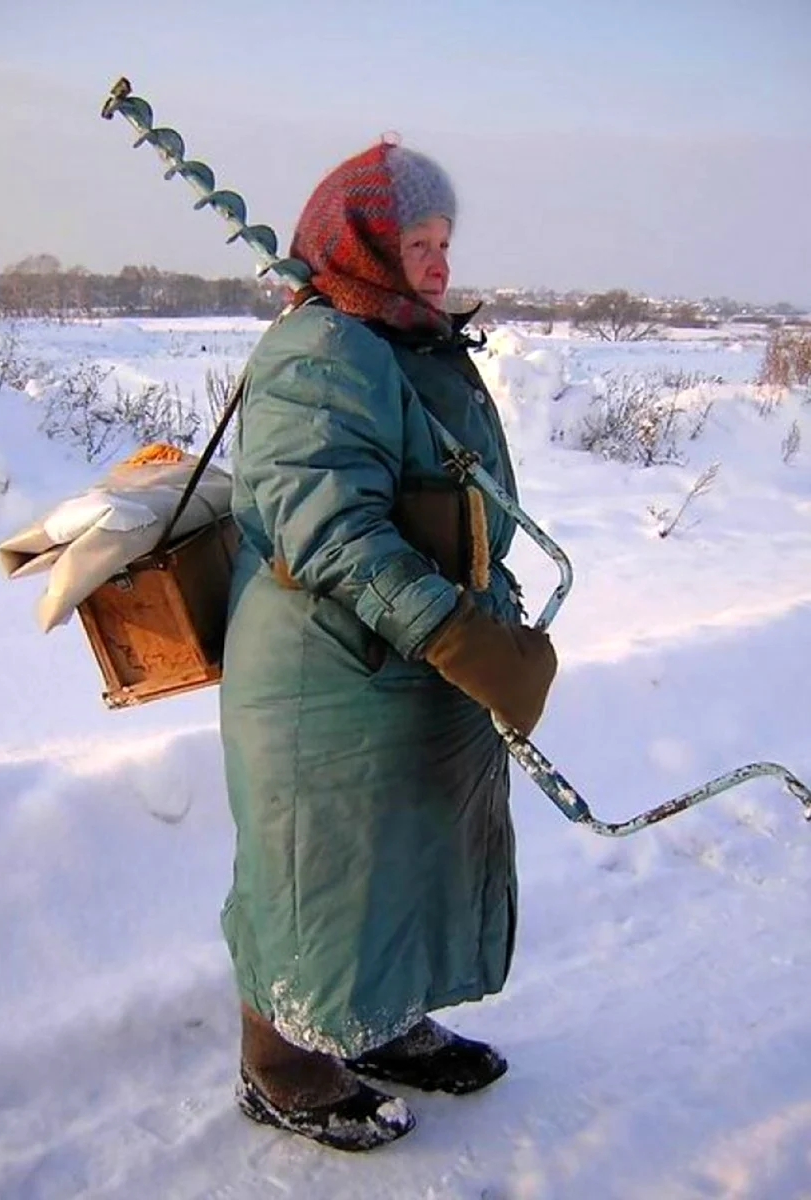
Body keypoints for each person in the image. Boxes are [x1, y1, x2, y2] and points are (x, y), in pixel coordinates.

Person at [219, 139, 557, 1152]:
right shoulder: (320, 350)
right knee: (319, 873)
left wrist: (484, 615)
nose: (441, 261)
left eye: (446, 240)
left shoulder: (400, 340)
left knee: (403, 861)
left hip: (406, 664)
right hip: (326, 672)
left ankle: (380, 1024)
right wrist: (460, 634)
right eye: (419, 240)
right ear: (364, 241)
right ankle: (279, 1065)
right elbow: (328, 528)